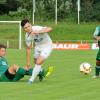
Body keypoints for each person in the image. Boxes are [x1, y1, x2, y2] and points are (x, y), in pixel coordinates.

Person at [21, 19, 53, 83]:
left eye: (28, 26)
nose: (28, 28)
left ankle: (31, 80)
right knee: (35, 61)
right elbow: (28, 49)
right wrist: (27, 63)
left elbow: (50, 28)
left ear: (31, 25)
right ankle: (41, 73)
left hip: (47, 46)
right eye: (25, 28)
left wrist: (38, 32)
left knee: (38, 62)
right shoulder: (27, 36)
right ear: (23, 29)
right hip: (38, 47)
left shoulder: (37, 28)